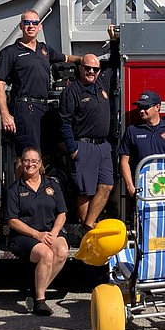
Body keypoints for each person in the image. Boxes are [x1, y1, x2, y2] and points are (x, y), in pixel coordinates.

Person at [0, 10, 82, 154]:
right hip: (24, 108)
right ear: (21, 26)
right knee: (28, 154)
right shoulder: (9, 52)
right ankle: (22, 177)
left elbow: (65, 58)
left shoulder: (44, 49)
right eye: (27, 22)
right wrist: (5, 114)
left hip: (45, 107)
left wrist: (82, 60)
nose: (31, 26)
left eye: (35, 23)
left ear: (39, 26)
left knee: (52, 149)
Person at [4, 148, 69, 316]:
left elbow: (62, 213)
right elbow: (12, 221)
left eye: (34, 161)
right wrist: (37, 235)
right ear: (21, 163)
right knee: (46, 254)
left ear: (40, 164)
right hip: (23, 236)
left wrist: (54, 233)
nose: (30, 164)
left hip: (49, 232)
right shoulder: (14, 189)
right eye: (26, 160)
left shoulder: (52, 185)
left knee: (62, 251)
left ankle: (35, 289)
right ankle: (40, 300)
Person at [59, 54, 114, 228]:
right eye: (87, 68)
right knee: (85, 192)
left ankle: (87, 227)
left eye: (95, 69)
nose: (91, 71)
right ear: (80, 68)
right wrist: (73, 149)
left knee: (106, 186)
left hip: (103, 147)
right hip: (83, 146)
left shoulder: (101, 84)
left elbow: (112, 64)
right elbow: (64, 123)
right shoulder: (71, 91)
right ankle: (86, 228)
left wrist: (113, 41)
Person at [118, 91, 165, 196]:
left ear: (157, 107)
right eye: (140, 107)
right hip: (142, 187)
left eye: (146, 107)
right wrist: (130, 186)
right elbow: (124, 161)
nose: (142, 111)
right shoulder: (132, 130)